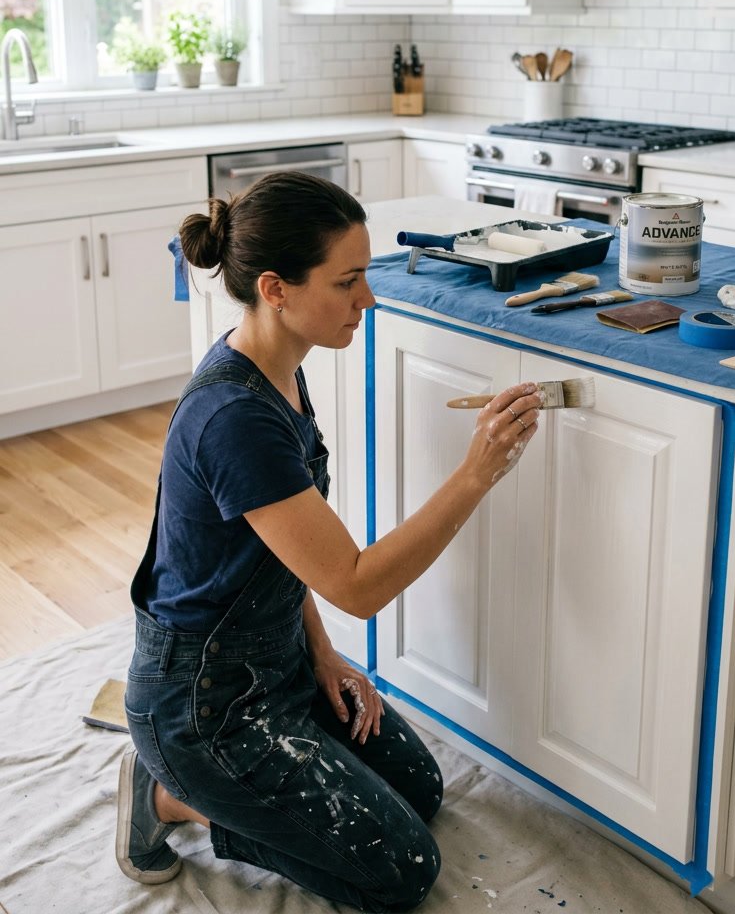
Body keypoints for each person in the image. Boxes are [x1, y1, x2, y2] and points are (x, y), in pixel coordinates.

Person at [116, 171, 541, 912]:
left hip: (274, 662)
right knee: (401, 867)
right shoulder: (236, 418)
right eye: (348, 282)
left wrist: (320, 654)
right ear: (276, 288)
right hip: (203, 706)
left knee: (420, 788)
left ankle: (209, 782)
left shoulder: (278, 370)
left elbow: (282, 557)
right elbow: (356, 582)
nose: (367, 300)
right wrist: (475, 475)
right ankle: (165, 798)